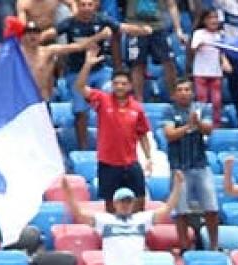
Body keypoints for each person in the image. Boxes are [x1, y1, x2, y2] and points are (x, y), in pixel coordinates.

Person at [56, 0, 145, 150]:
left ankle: (115, 142)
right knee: (80, 110)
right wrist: (100, 36)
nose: (86, 8)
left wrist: (144, 30)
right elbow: (52, 34)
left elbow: (123, 27)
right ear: (77, 6)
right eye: (83, 5)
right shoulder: (69, 23)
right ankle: (83, 149)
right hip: (77, 72)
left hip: (100, 71)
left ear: (95, 6)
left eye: (89, 4)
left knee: (113, 95)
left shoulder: (102, 19)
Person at [78, 45, 154, 212]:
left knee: (139, 200)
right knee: (110, 205)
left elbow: (142, 134)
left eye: (123, 84)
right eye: (116, 83)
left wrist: (149, 158)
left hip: (130, 162)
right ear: (112, 85)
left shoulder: (137, 108)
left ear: (130, 86)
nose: (119, 86)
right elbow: (80, 87)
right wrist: (87, 64)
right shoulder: (102, 100)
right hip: (108, 163)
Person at [163, 79, 220, 252]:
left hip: (200, 165)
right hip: (178, 167)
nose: (183, 93)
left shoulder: (203, 108)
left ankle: (214, 246)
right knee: (181, 210)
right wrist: (189, 125)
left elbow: (208, 129)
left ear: (192, 92)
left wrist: (198, 123)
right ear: (174, 94)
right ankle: (184, 247)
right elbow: (169, 134)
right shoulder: (169, 111)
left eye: (187, 89)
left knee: (211, 207)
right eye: (180, 90)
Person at [123, 0, 182, 101]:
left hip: (158, 27)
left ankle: (175, 98)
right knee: (137, 65)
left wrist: (178, 29)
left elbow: (171, 5)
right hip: (135, 28)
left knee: (169, 62)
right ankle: (138, 101)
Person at [188, 9, 225, 125]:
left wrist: (225, 63)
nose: (213, 20)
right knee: (202, 100)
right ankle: (201, 124)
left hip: (216, 72)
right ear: (204, 20)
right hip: (201, 72)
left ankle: (216, 124)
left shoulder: (220, 35)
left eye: (215, 18)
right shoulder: (199, 33)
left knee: (217, 101)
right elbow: (193, 49)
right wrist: (199, 45)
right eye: (210, 18)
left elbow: (222, 52)